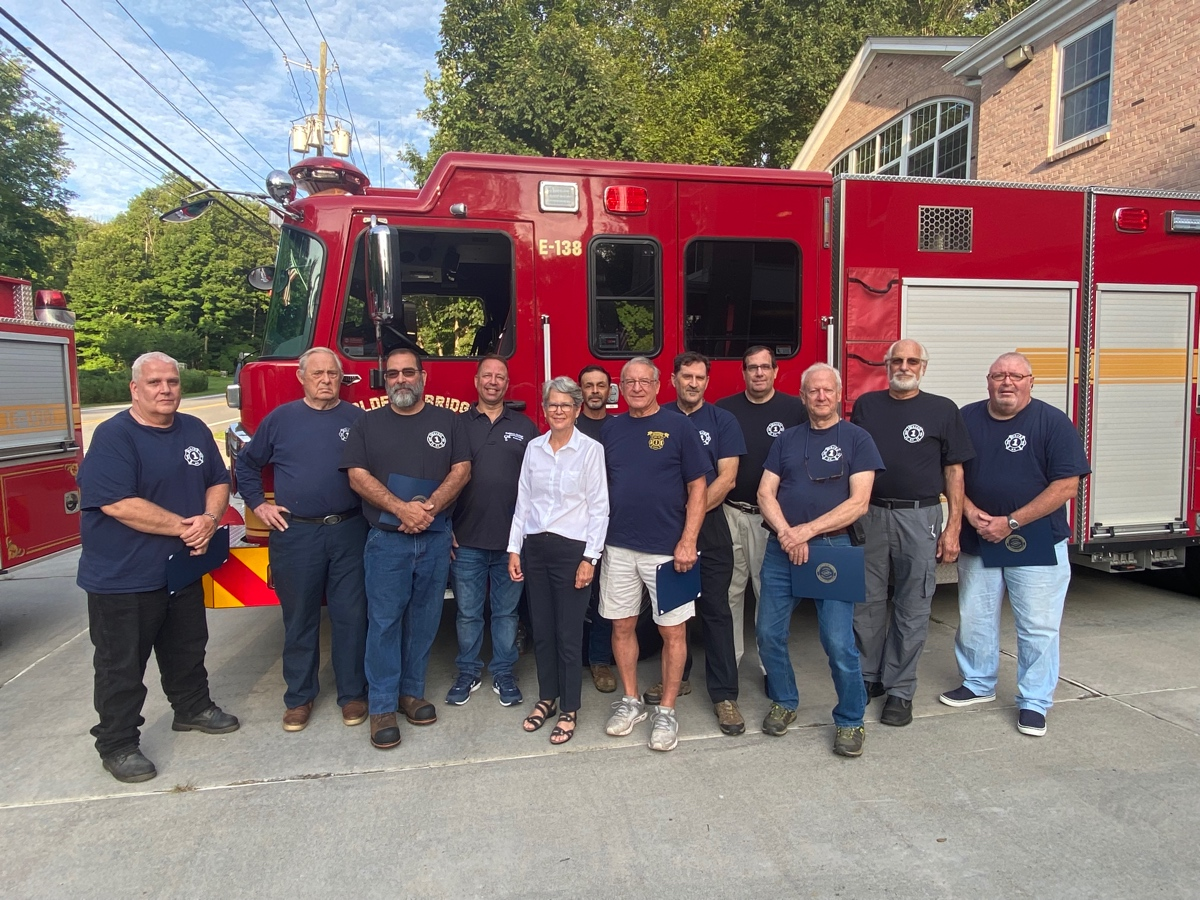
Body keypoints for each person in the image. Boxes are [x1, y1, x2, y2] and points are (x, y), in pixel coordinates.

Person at [77, 351, 238, 784]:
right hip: (124, 576)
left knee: (187, 647)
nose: (165, 390)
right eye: (154, 383)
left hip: (179, 570)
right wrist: (188, 528)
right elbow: (117, 503)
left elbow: (218, 480)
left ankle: (192, 708)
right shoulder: (115, 436)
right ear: (135, 388)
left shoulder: (194, 428)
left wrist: (210, 519)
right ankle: (117, 743)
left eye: (172, 382)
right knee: (122, 666)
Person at [939, 352, 1090, 737]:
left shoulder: (1052, 422)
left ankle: (1035, 701)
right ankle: (978, 682)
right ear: (988, 381)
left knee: (1038, 625)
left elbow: (1066, 486)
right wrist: (970, 513)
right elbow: (952, 472)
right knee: (975, 616)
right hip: (980, 535)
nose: (1007, 382)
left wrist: (1011, 522)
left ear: (1031, 382)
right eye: (999, 375)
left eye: (1016, 376)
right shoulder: (966, 418)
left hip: (1036, 540)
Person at [341, 348, 471, 750]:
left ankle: (411, 693)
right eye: (393, 374)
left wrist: (427, 510)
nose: (401, 379)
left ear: (423, 378)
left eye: (408, 372)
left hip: (434, 538)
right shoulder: (367, 423)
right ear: (385, 380)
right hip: (387, 541)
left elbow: (462, 470)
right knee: (384, 623)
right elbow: (357, 476)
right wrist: (401, 509)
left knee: (424, 620)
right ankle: (382, 706)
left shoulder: (448, 421)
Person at [235, 347, 368, 733]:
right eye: (317, 374)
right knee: (299, 618)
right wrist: (259, 505)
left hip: (350, 530)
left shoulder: (357, 419)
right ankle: (299, 697)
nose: (326, 380)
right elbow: (247, 463)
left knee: (351, 616)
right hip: (296, 533)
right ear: (301, 378)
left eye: (332, 374)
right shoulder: (280, 420)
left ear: (341, 378)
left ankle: (353, 694)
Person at [756, 363, 884, 757]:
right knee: (768, 633)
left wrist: (805, 532)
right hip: (783, 550)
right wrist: (787, 534)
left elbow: (859, 503)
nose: (821, 396)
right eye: (813, 390)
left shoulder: (858, 439)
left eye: (828, 390)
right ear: (803, 396)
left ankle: (850, 719)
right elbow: (765, 493)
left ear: (839, 393)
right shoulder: (787, 439)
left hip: (834, 549)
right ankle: (784, 700)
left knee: (838, 642)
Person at [850, 340, 974, 727]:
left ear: (923, 368)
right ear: (886, 365)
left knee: (913, 605)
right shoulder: (867, 405)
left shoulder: (943, 409)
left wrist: (953, 527)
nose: (904, 366)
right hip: (870, 515)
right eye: (897, 360)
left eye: (912, 361)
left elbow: (954, 471)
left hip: (920, 518)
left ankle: (900, 690)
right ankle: (868, 677)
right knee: (865, 602)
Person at [600, 357, 710, 752]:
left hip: (668, 550)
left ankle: (666, 710)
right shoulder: (611, 429)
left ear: (659, 385)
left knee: (673, 632)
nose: (636, 388)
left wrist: (688, 540)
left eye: (644, 381)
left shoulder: (679, 427)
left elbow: (698, 487)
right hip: (618, 546)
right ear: (621, 387)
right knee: (622, 626)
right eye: (629, 382)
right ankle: (631, 701)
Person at [508, 377, 609, 744]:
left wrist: (590, 558)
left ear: (577, 409)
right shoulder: (534, 449)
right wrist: (514, 548)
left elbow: (599, 508)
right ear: (544, 409)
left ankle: (569, 708)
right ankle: (546, 698)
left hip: (572, 551)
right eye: (553, 404)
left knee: (568, 633)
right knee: (543, 630)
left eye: (566, 405)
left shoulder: (591, 450)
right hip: (536, 548)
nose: (559, 410)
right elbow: (523, 501)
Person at [658, 351, 747, 735]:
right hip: (665, 531)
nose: (693, 383)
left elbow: (727, 479)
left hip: (710, 529)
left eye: (699, 378)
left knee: (715, 611)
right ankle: (678, 678)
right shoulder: (657, 417)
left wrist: (689, 517)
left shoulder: (722, 421)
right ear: (673, 379)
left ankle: (724, 696)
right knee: (673, 611)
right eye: (686, 376)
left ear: (707, 382)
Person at [445, 356, 539, 708]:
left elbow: (537, 482)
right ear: (476, 381)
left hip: (511, 544)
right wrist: (445, 526)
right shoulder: (457, 425)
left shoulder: (525, 427)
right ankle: (468, 672)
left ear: (507, 383)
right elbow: (443, 478)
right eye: (487, 375)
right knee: (468, 613)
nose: (493, 382)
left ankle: (503, 673)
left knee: (506, 614)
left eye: (500, 377)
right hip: (465, 539)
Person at [716, 346, 807, 665]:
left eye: (765, 367)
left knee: (768, 592)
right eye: (752, 367)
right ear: (743, 372)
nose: (758, 373)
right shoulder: (724, 410)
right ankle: (730, 662)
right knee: (729, 591)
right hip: (731, 512)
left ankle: (771, 668)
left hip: (771, 519)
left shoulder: (795, 410)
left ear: (775, 371)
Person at [575, 364, 616, 693]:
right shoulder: (569, 427)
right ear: (581, 391)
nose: (595, 391)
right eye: (589, 385)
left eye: (600, 385)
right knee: (573, 595)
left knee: (604, 594)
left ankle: (600, 660)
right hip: (573, 526)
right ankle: (570, 658)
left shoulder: (620, 428)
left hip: (611, 524)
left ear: (609, 390)